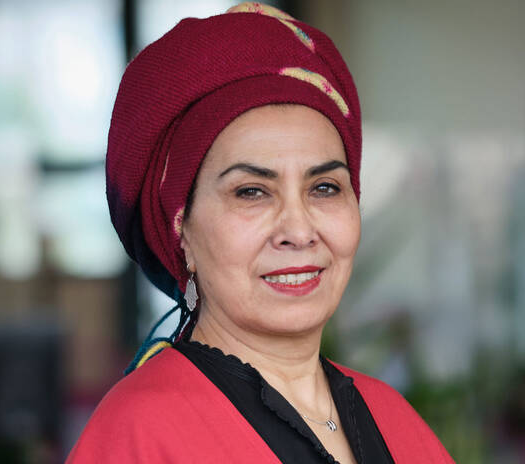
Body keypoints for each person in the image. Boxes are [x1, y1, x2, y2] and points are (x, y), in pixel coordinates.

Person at [67, 3, 454, 463]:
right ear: (181, 229)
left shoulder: (397, 422)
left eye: (325, 187)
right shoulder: (139, 433)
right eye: (251, 192)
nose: (298, 230)